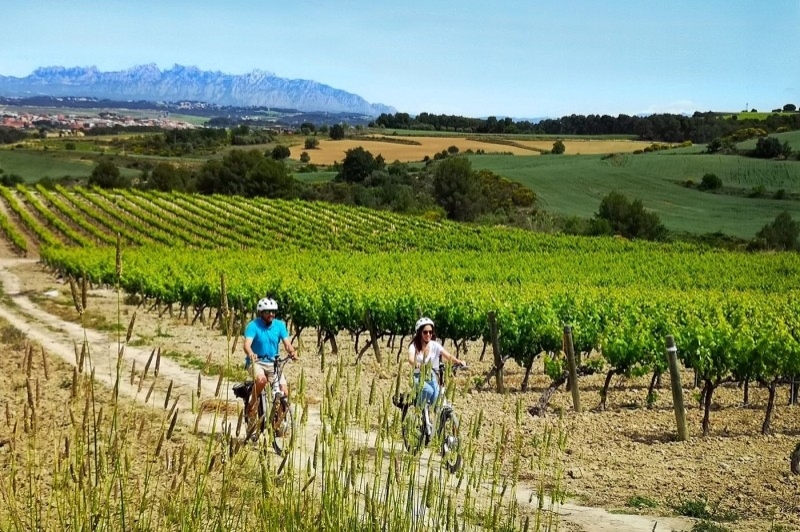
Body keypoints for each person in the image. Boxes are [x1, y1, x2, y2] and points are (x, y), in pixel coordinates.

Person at [243, 297, 297, 423]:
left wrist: (292, 352)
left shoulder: (280, 325)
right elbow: (246, 345)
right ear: (261, 313)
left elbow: (287, 344)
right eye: (267, 312)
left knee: (284, 391)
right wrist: (251, 354)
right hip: (257, 362)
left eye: (273, 312)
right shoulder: (253, 326)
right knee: (261, 381)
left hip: (273, 363)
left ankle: (279, 423)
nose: (271, 314)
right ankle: (252, 404)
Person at [407, 317, 465, 408]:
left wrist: (459, 362)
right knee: (428, 390)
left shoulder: (435, 345)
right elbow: (410, 358)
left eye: (430, 332)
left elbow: (448, 356)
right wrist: (416, 364)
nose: (428, 334)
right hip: (418, 376)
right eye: (425, 332)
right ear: (419, 333)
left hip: (432, 376)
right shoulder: (413, 346)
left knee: (437, 402)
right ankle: (417, 408)